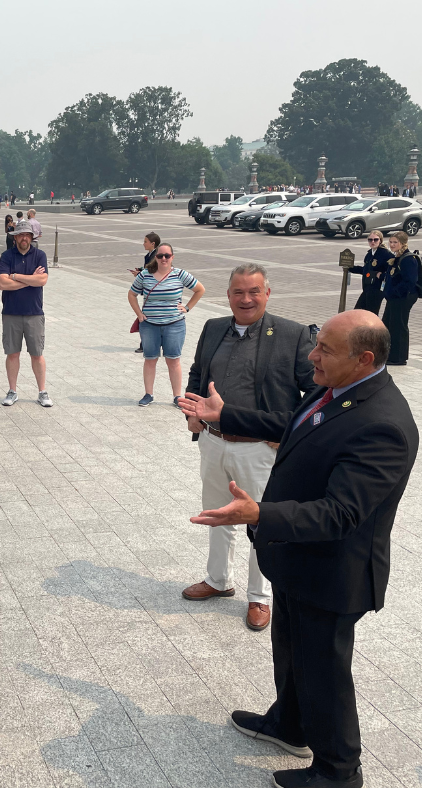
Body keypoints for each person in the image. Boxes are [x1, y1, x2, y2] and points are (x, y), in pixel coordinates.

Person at [180, 310, 417, 788]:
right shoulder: (337, 390)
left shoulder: (384, 424)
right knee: (292, 653)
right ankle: (289, 726)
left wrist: (260, 514)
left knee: (324, 672)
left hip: (332, 574)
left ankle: (339, 772)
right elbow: (293, 423)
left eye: (324, 349)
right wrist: (225, 415)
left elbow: (340, 514)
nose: (312, 355)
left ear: (365, 358)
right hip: (297, 558)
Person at [181, 264, 317, 632]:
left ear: (267, 294)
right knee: (217, 513)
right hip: (213, 442)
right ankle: (218, 579)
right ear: (227, 295)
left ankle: (260, 597)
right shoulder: (212, 328)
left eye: (254, 291)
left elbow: (317, 392)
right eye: (238, 292)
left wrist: (288, 434)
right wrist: (191, 413)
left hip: (260, 449)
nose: (246, 299)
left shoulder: (292, 334)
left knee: (261, 522)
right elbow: (197, 374)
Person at [128, 243, 205, 407]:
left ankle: (177, 396)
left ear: (172, 257)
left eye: (167, 256)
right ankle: (148, 394)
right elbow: (131, 294)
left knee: (173, 360)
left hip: (174, 325)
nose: (163, 259)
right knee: (150, 359)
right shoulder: (145, 275)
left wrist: (187, 307)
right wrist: (139, 314)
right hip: (149, 325)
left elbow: (200, 289)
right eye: (160, 256)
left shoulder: (180, 275)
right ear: (155, 257)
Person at [0, 219, 52, 408]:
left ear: (31, 237)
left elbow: (43, 280)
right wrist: (30, 279)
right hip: (11, 312)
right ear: (15, 237)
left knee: (37, 354)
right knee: (12, 353)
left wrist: (16, 276)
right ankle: (12, 391)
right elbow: (2, 284)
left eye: (27, 235)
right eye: (20, 234)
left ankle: (42, 392)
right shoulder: (6, 256)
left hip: (34, 312)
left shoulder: (40, 255)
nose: (23, 238)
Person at [381, 230, 420, 366]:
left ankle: (399, 358)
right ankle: (390, 354)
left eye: (395, 242)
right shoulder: (397, 256)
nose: (392, 245)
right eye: (391, 242)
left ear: (403, 243)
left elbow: (410, 281)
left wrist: (395, 293)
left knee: (399, 326)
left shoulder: (409, 259)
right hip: (394, 298)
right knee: (388, 324)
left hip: (403, 298)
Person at [130, 233, 162, 354]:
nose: (143, 244)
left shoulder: (157, 256)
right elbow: (148, 269)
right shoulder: (149, 255)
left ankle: (145, 344)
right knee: (147, 317)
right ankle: (148, 343)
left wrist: (140, 274)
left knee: (146, 318)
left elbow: (154, 271)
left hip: (154, 290)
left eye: (145, 241)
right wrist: (140, 270)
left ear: (152, 244)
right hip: (148, 290)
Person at [350, 230, 391, 315]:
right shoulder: (369, 254)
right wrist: (351, 268)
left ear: (380, 240)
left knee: (371, 313)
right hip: (367, 287)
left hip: (377, 289)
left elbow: (392, 271)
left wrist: (382, 275)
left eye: (375, 239)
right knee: (358, 312)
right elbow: (366, 270)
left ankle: (373, 328)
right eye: (370, 240)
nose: (373, 242)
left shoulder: (385, 254)